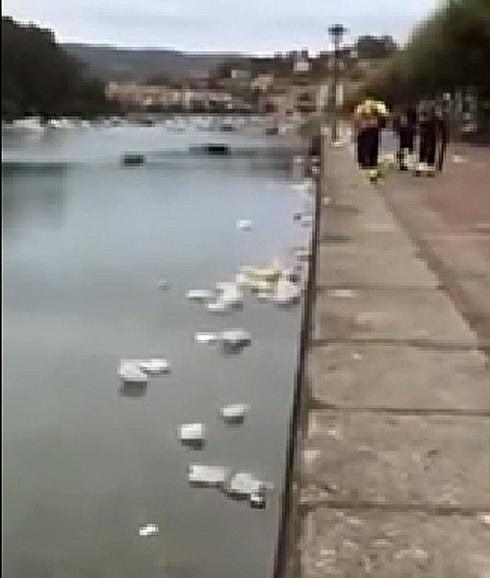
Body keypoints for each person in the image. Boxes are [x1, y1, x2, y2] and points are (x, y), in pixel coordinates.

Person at [354, 99, 388, 182]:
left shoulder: (361, 109)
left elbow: (357, 119)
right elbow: (384, 116)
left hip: (365, 129)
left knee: (366, 146)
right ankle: (371, 164)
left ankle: (367, 163)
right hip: (372, 129)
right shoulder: (376, 108)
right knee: (372, 147)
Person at [416, 101, 438, 176]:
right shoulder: (432, 105)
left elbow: (420, 118)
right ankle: (428, 170)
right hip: (430, 129)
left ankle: (422, 169)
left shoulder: (422, 105)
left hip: (427, 128)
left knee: (424, 150)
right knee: (428, 150)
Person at [393, 106, 417, 171]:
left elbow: (398, 127)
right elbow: (398, 127)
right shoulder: (409, 120)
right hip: (406, 135)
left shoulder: (408, 120)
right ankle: (403, 164)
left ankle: (403, 164)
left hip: (406, 135)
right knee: (405, 150)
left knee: (404, 150)